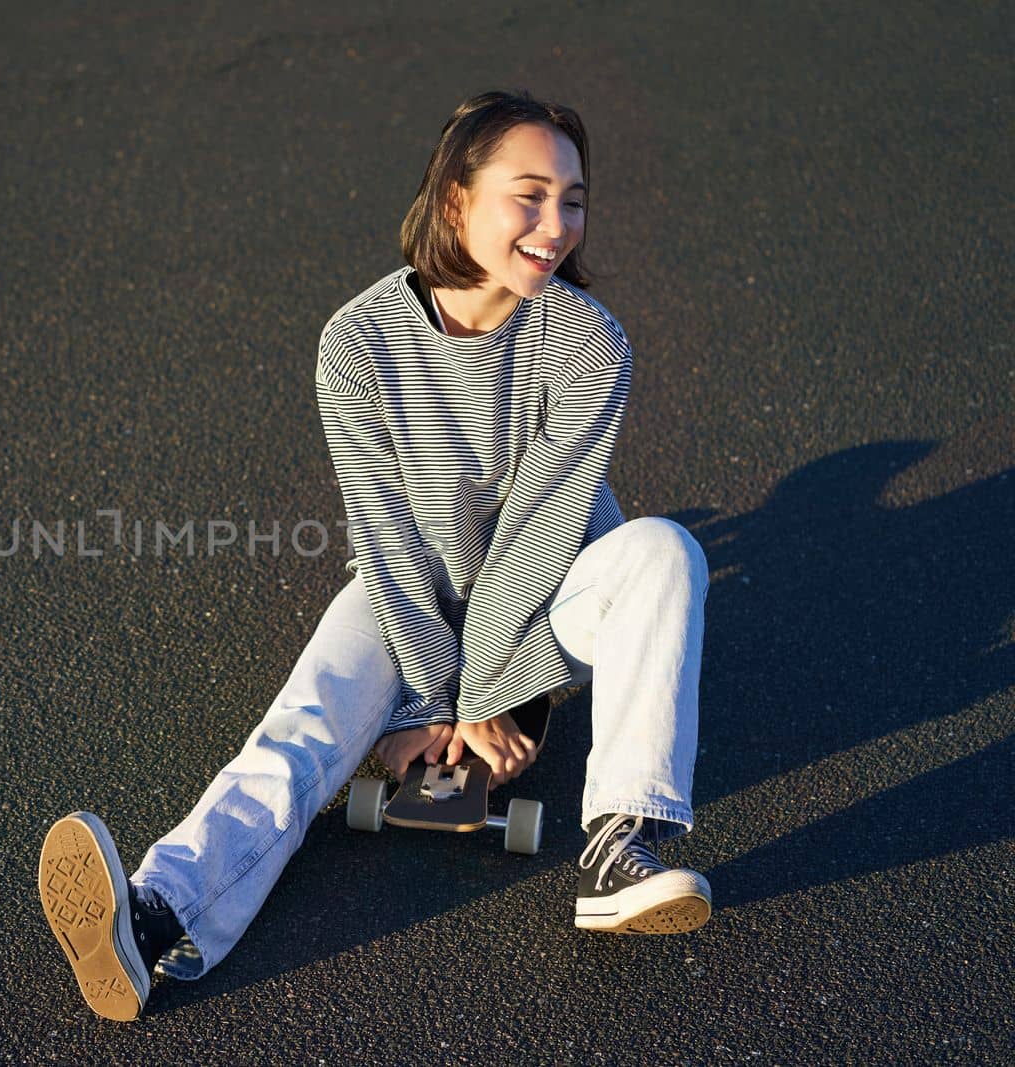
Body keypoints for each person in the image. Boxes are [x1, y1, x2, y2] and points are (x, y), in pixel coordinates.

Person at [37, 89, 712, 1023]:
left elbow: (542, 532)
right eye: (529, 195)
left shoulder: (589, 344)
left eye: (574, 198)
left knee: (666, 552)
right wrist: (422, 701)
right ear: (454, 203)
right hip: (412, 591)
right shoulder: (358, 344)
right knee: (305, 727)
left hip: (551, 590)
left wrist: (480, 703)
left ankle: (623, 838)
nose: (556, 225)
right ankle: (155, 917)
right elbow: (386, 536)